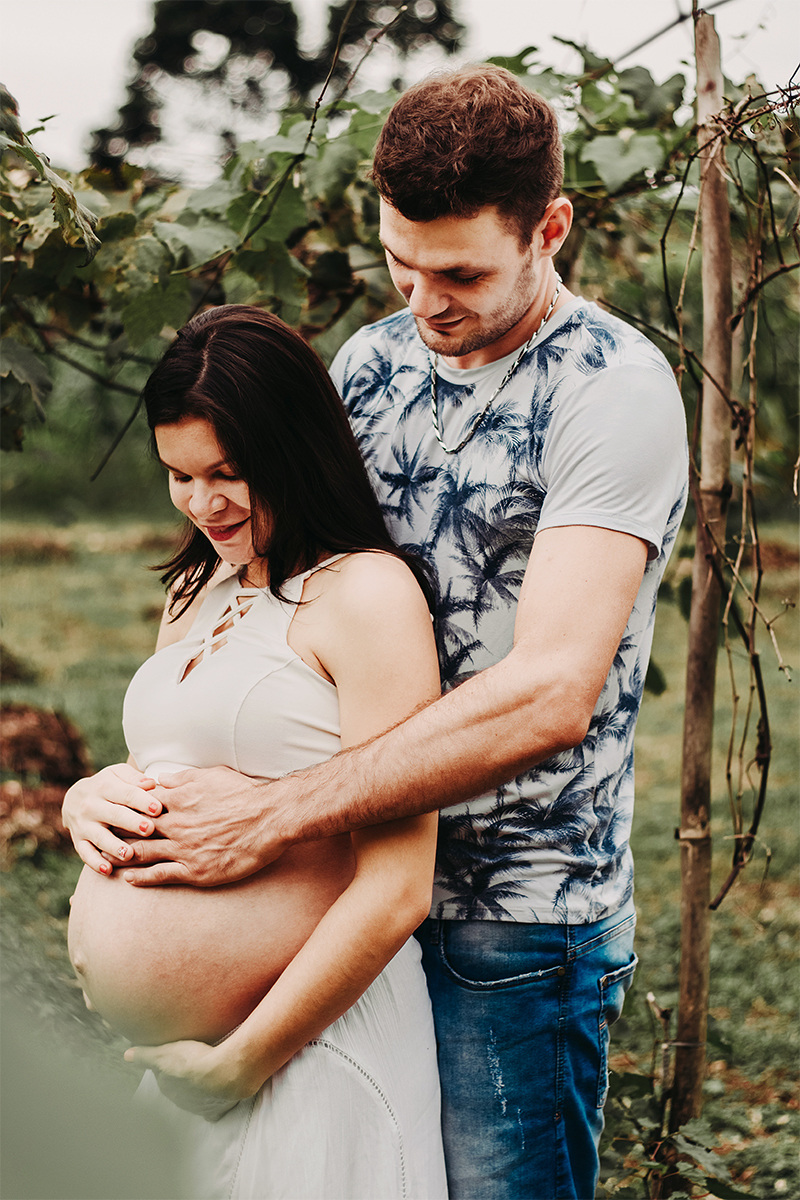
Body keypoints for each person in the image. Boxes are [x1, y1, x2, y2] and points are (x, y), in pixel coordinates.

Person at [64, 66, 689, 1200]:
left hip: (512, 911)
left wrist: (270, 816)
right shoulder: (374, 364)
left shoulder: (611, 393)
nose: (423, 301)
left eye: (459, 274)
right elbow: (283, 603)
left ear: (549, 226)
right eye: (400, 263)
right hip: (347, 901)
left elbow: (551, 691)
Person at [65, 306, 448, 1200]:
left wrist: (245, 1061)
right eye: (180, 475)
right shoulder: (195, 588)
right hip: (191, 1069)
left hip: (313, 1048)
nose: (204, 504)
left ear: (294, 447)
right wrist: (88, 797)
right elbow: (169, 761)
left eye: (230, 473)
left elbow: (398, 885)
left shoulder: (367, 596)